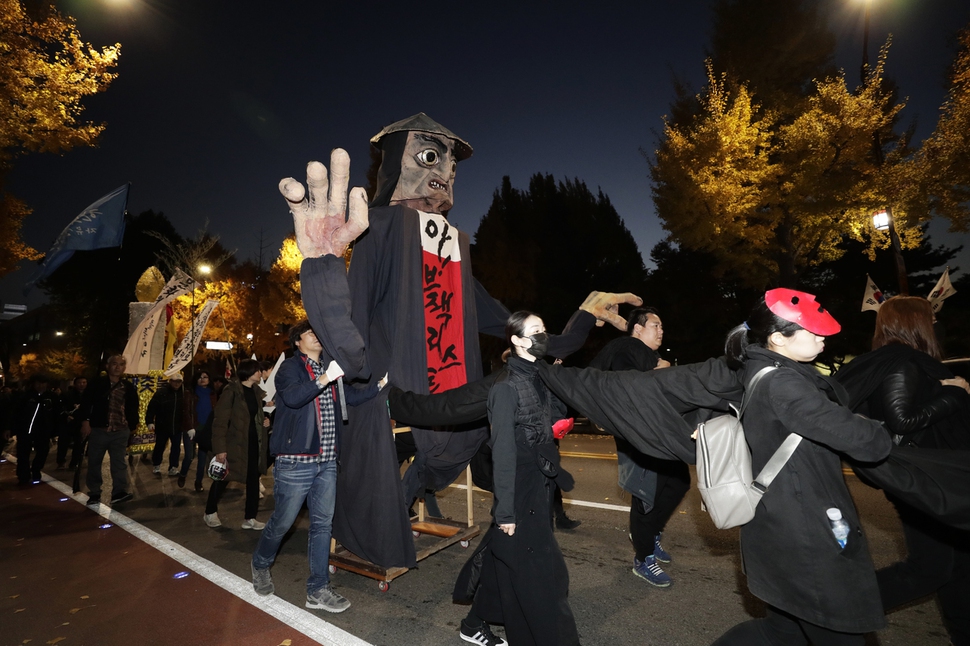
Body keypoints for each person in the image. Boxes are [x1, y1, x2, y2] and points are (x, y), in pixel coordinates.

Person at [282, 114, 640, 569]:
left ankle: (405, 503)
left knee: (473, 430)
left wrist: (583, 316)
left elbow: (510, 326)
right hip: (390, 392)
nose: (442, 178)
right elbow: (351, 323)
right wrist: (322, 268)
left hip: (443, 395)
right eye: (430, 159)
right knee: (394, 452)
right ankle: (375, 523)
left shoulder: (450, 243)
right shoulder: (382, 226)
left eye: (449, 170)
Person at [709, 289, 892, 645]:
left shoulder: (761, 371)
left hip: (779, 527)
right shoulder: (784, 383)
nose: (822, 337)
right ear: (778, 337)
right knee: (836, 631)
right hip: (806, 534)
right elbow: (868, 443)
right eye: (811, 332)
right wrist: (872, 426)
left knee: (781, 632)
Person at [834, 295, 970, 645]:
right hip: (923, 479)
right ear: (916, 322)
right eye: (931, 317)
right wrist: (955, 393)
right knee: (930, 569)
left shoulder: (909, 361)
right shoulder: (901, 362)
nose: (936, 324)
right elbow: (902, 421)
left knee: (958, 569)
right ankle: (837, 612)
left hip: (936, 476)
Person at [454, 311, 579, 646]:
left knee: (506, 561)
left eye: (544, 329)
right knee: (544, 579)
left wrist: (557, 382)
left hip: (541, 484)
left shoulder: (541, 374)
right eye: (536, 331)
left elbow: (555, 417)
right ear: (518, 340)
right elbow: (504, 454)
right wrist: (505, 512)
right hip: (522, 491)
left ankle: (474, 622)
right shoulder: (505, 388)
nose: (543, 335)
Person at [251, 321, 382, 613]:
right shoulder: (290, 369)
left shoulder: (328, 369)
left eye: (318, 333)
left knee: (322, 526)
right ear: (297, 341)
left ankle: (318, 589)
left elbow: (350, 399)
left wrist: (380, 386)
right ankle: (260, 563)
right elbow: (294, 398)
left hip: (326, 462)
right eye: (310, 333)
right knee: (283, 523)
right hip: (296, 461)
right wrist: (324, 379)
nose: (317, 337)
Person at [589, 306, 688, 587]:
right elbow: (627, 382)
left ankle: (650, 533)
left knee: (679, 482)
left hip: (657, 433)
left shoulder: (644, 353)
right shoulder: (627, 346)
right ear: (638, 329)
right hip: (638, 434)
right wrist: (661, 369)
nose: (661, 330)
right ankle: (643, 558)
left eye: (661, 326)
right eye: (655, 325)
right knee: (647, 492)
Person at [204, 359, 268, 529]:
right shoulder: (231, 391)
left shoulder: (256, 392)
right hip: (234, 443)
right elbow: (220, 422)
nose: (260, 373)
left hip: (253, 443)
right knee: (223, 478)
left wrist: (264, 423)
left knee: (254, 480)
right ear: (248, 372)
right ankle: (210, 512)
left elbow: (255, 417)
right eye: (257, 370)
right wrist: (220, 448)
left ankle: (250, 518)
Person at [79, 355, 139, 506]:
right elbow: (86, 403)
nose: (117, 367)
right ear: (107, 366)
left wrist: (132, 426)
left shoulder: (128, 386)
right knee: (94, 462)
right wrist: (85, 421)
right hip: (99, 429)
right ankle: (94, 492)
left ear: (124, 368)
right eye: (114, 364)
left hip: (120, 430)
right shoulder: (97, 384)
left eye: (121, 365)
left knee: (119, 463)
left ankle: (119, 492)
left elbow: (133, 407)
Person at [13, 374, 59, 484]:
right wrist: (12, 428)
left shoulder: (51, 396)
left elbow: (56, 413)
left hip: (43, 430)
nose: (40, 386)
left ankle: (36, 469)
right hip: (25, 429)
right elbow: (15, 412)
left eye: (43, 383)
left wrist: (54, 429)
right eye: (38, 383)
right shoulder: (25, 396)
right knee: (23, 453)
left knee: (43, 451)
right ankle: (23, 475)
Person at [178, 370, 216, 491]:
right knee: (189, 456)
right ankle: (183, 474)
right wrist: (189, 427)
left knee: (202, 458)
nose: (202, 379)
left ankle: (198, 482)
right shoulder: (190, 393)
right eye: (200, 377)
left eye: (205, 377)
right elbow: (186, 411)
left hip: (206, 429)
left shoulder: (213, 394)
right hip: (192, 428)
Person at [145, 373, 188, 476]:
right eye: (174, 381)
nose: (176, 384)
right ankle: (156, 465)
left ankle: (173, 467)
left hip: (177, 426)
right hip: (162, 425)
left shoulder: (184, 393)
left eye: (179, 381)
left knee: (176, 447)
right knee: (160, 446)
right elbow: (152, 408)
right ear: (170, 381)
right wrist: (150, 421)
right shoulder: (161, 392)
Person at [56, 376, 87, 470]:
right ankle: (61, 461)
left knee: (79, 444)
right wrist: (66, 415)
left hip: (80, 422)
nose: (82, 385)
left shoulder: (88, 395)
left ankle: (74, 463)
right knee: (63, 443)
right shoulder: (67, 394)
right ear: (75, 384)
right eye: (80, 383)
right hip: (68, 422)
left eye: (84, 382)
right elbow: (60, 407)